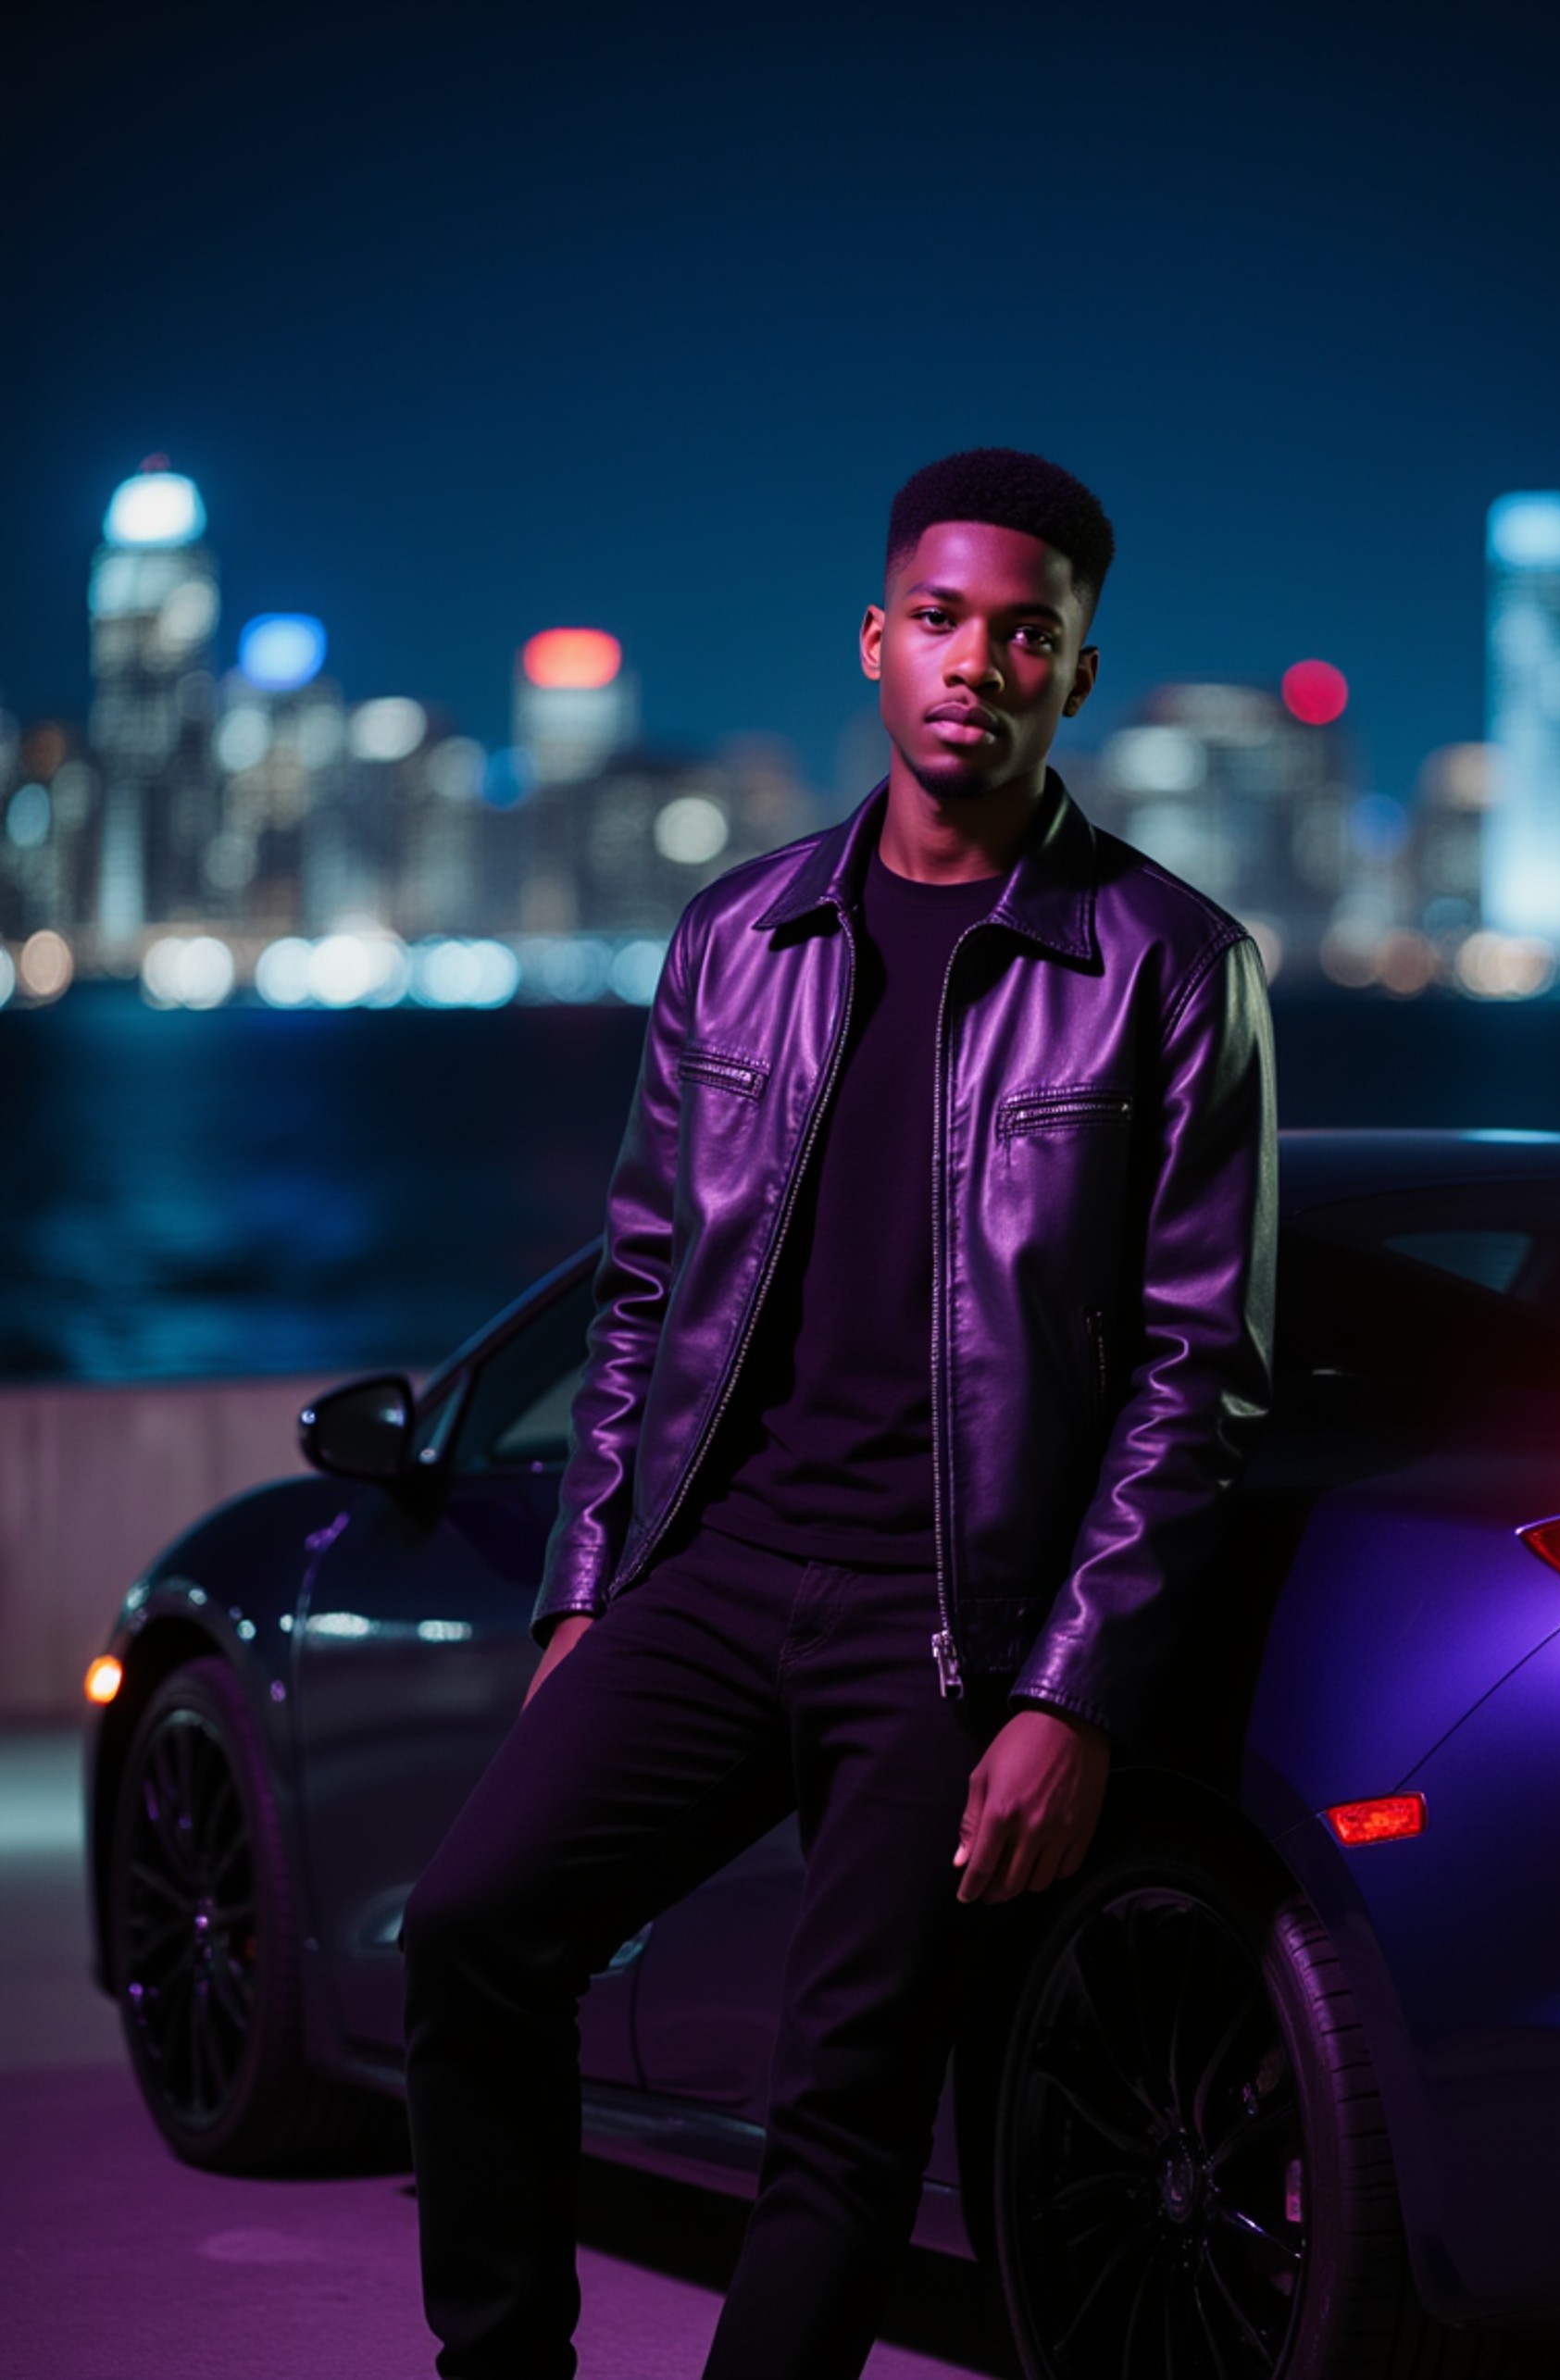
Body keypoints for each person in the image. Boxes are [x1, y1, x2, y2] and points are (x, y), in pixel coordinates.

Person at [401, 446, 1277, 2379]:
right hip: (712, 1578)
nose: (977, 661)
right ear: (878, 640)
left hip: (947, 1621)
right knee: (470, 1932)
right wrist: (583, 1594)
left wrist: (1069, 1695)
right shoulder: (741, 936)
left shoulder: (1167, 967)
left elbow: (1190, 1369)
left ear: (1076, 670)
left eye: (1023, 632)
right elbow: (644, 1288)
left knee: (847, 2099)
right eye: (943, 620)